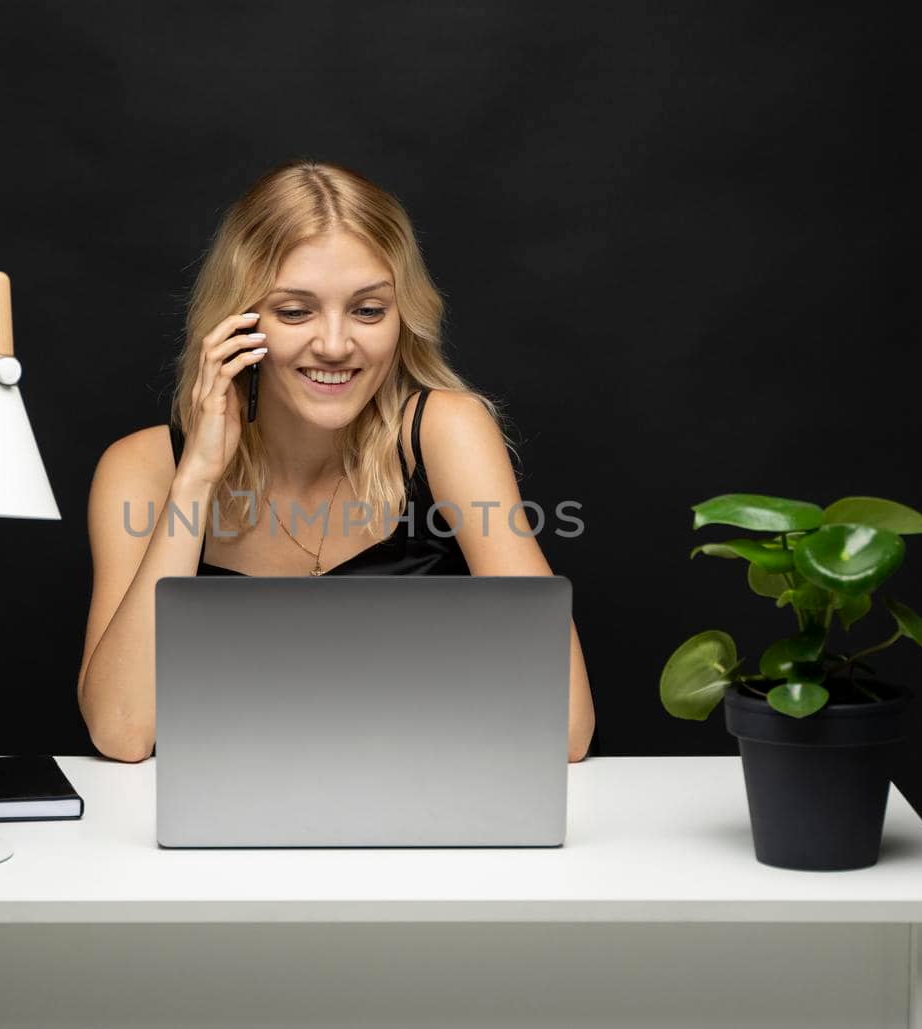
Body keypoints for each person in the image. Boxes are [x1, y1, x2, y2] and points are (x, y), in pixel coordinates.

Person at [77, 158, 596, 763]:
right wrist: (196, 480)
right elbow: (122, 733)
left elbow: (565, 730)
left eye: (368, 310)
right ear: (237, 323)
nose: (334, 344)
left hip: (422, 811)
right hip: (220, 836)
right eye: (294, 311)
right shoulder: (140, 468)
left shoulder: (446, 432)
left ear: (402, 320)